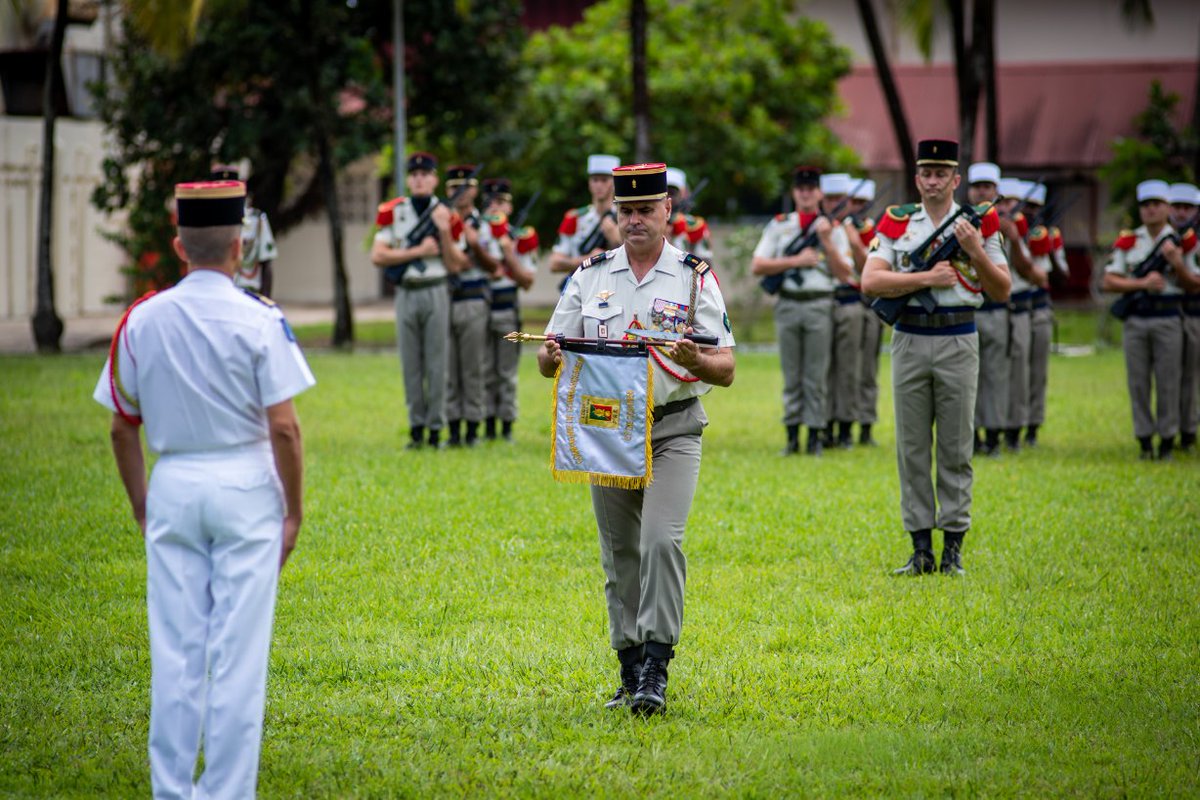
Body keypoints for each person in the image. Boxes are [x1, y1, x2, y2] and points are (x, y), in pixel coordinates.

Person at [93, 179, 314, 798]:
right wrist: (293, 513)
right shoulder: (260, 318)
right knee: (237, 657)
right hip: (246, 483)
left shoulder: (142, 318)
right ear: (240, 247)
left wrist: (143, 504)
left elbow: (120, 426)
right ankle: (224, 792)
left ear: (178, 245)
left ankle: (171, 789)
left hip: (174, 480)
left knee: (176, 649)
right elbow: (285, 430)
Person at [538, 162, 736, 715]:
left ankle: (656, 664)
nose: (635, 221)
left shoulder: (694, 277)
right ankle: (628, 667)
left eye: (646, 209)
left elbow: (726, 368)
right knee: (620, 553)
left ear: (667, 210)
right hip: (609, 431)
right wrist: (550, 356)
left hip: (672, 428)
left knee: (660, 542)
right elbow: (546, 354)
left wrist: (695, 356)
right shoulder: (592, 274)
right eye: (626, 211)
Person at [861, 139, 1010, 576]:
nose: (932, 181)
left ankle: (953, 549)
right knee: (911, 447)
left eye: (941, 173)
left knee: (956, 445)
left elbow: (1002, 290)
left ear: (955, 179)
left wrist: (975, 250)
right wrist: (926, 276)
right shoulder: (896, 223)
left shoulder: (980, 223)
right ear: (916, 178)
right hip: (908, 337)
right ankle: (921, 547)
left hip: (958, 337)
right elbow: (870, 281)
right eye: (925, 173)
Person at [751, 166, 852, 456]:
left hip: (820, 303)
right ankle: (792, 435)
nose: (806, 194)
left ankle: (815, 436)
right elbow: (758, 265)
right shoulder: (780, 224)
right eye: (801, 189)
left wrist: (828, 243)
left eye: (811, 189)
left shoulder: (832, 228)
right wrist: (795, 261)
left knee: (816, 375)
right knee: (792, 373)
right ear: (795, 192)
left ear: (819, 193)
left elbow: (846, 273)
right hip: (789, 303)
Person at [371, 152, 467, 450]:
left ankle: (436, 429)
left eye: (426, 174)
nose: (420, 179)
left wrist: (442, 232)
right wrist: (417, 252)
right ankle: (416, 428)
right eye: (414, 175)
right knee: (410, 363)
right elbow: (378, 255)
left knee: (438, 364)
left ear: (435, 179)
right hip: (407, 291)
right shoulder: (393, 211)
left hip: (436, 288)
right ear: (408, 179)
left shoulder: (447, 214)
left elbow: (456, 264)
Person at [1102, 179, 1200, 460]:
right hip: (1136, 318)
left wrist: (1177, 263)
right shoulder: (1129, 239)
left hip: (1169, 316)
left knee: (1170, 381)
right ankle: (1144, 439)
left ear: (1166, 207)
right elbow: (1109, 281)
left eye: (1156, 204)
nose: (1151, 210)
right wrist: (1142, 283)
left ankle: (1168, 438)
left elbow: (1193, 284)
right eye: (1146, 205)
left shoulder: (1183, 241)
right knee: (1138, 382)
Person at [479, 177, 537, 442]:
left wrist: (508, 252)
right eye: (491, 202)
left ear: (510, 208)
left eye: (501, 202)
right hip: (479, 304)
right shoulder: (475, 233)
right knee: (483, 369)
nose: (496, 208)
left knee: (505, 372)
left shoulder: (519, 237)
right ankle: (486, 422)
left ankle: (506, 426)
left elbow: (527, 280)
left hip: (505, 306)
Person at [444, 164, 494, 448]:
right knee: (449, 368)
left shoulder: (484, 223)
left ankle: (473, 427)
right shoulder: (440, 221)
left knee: (473, 367)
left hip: (473, 298)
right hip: (446, 297)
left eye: (465, 187)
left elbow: (493, 265)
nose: (459, 193)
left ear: (474, 190)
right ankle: (452, 427)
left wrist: (476, 246)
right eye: (453, 187)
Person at [967, 163, 1011, 456]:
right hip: (967, 311)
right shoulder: (958, 221)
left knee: (994, 374)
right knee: (965, 378)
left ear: (996, 191)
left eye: (988, 186)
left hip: (993, 307)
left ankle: (994, 433)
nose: (983, 191)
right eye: (978, 186)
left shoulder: (1000, 227)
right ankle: (970, 435)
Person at [821, 172, 865, 448]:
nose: (835, 203)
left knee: (848, 369)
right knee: (823, 368)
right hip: (824, 300)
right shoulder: (819, 227)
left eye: (840, 198)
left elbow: (865, 266)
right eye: (830, 198)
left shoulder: (855, 229)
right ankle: (824, 425)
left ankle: (846, 427)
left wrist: (854, 239)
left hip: (850, 300)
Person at [1024, 186, 1070, 447]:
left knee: (1037, 371)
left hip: (1039, 307)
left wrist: (1048, 248)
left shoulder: (1049, 236)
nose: (1028, 213)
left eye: (1033, 207)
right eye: (1024, 206)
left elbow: (1061, 278)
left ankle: (1032, 425)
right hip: (1012, 306)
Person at [549, 154, 623, 285]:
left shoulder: (625, 216)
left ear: (614, 183)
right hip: (582, 285)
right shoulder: (575, 218)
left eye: (604, 180)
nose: (599, 185)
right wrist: (587, 259)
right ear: (589, 183)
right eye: (595, 180)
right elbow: (554, 263)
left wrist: (615, 238)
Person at [848, 178, 883, 445]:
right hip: (846, 303)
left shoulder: (875, 232)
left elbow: (867, 265)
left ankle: (866, 426)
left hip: (869, 304)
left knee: (868, 370)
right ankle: (845, 425)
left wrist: (853, 240)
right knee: (847, 370)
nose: (856, 207)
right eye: (852, 201)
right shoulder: (838, 229)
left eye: (861, 203)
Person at [211, 165, 279, 297]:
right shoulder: (206, 223)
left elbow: (266, 264)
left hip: (248, 293)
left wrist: (265, 302)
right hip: (218, 294)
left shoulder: (256, 220)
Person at [1167, 182, 1200, 452]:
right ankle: (1167, 430)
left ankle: (1188, 431)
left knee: (1190, 376)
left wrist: (1177, 262)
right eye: (1176, 207)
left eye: (1186, 208)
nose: (1180, 213)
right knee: (1168, 377)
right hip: (1168, 315)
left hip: (1193, 314)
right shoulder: (1163, 239)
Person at [666, 167, 715, 263]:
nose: (668, 197)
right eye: (664, 192)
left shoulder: (694, 225)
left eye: (672, 192)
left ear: (683, 194)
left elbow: (706, 262)